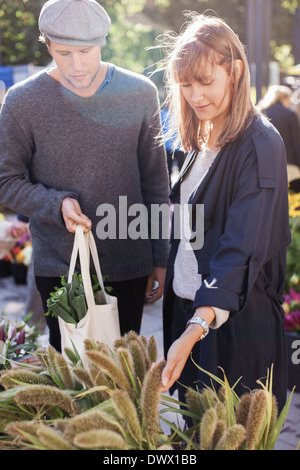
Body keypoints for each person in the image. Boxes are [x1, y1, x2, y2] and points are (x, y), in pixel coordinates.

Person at [0, 0, 169, 352]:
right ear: (46, 43)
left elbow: (156, 183)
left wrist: (159, 257)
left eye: (86, 51)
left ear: (103, 41)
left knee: (124, 378)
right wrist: (55, 202)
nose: (76, 65)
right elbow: (6, 180)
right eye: (63, 52)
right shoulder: (22, 101)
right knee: (75, 384)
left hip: (129, 261)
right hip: (61, 267)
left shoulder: (140, 93)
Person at [159, 13, 291, 413]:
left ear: (234, 72)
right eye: (185, 85)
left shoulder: (260, 145)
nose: (195, 95)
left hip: (233, 331)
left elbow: (241, 247)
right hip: (189, 318)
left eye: (205, 82)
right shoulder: (198, 135)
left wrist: (197, 325)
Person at [258, 85, 300, 172]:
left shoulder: (261, 112)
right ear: (283, 98)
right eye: (289, 99)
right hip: (287, 163)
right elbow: (296, 142)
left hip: (264, 163)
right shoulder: (290, 115)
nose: (290, 103)